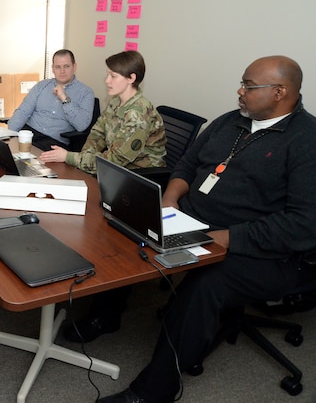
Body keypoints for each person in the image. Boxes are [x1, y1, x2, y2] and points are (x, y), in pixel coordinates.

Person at [98, 55, 316, 403]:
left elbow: (303, 225)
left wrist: (228, 238)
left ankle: (154, 390)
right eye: (241, 83)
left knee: (206, 284)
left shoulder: (306, 141)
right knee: (126, 227)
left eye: (248, 85)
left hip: (261, 248)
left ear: (280, 92)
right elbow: (187, 163)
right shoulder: (230, 121)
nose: (239, 91)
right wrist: (170, 198)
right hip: (191, 220)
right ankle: (105, 316)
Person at [39, 50, 166, 174]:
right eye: (108, 75)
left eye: (113, 76)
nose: (107, 81)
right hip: (116, 170)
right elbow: (97, 133)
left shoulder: (137, 114)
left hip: (140, 176)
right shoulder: (116, 101)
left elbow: (115, 161)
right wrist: (83, 158)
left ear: (131, 78)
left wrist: (69, 157)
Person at [7, 49, 95, 150]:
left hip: (54, 142)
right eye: (58, 67)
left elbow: (81, 125)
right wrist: (9, 135)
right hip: (29, 135)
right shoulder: (42, 85)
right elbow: (22, 111)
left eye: (66, 66)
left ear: (74, 67)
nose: (62, 71)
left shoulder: (86, 93)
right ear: (53, 68)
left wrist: (64, 99)